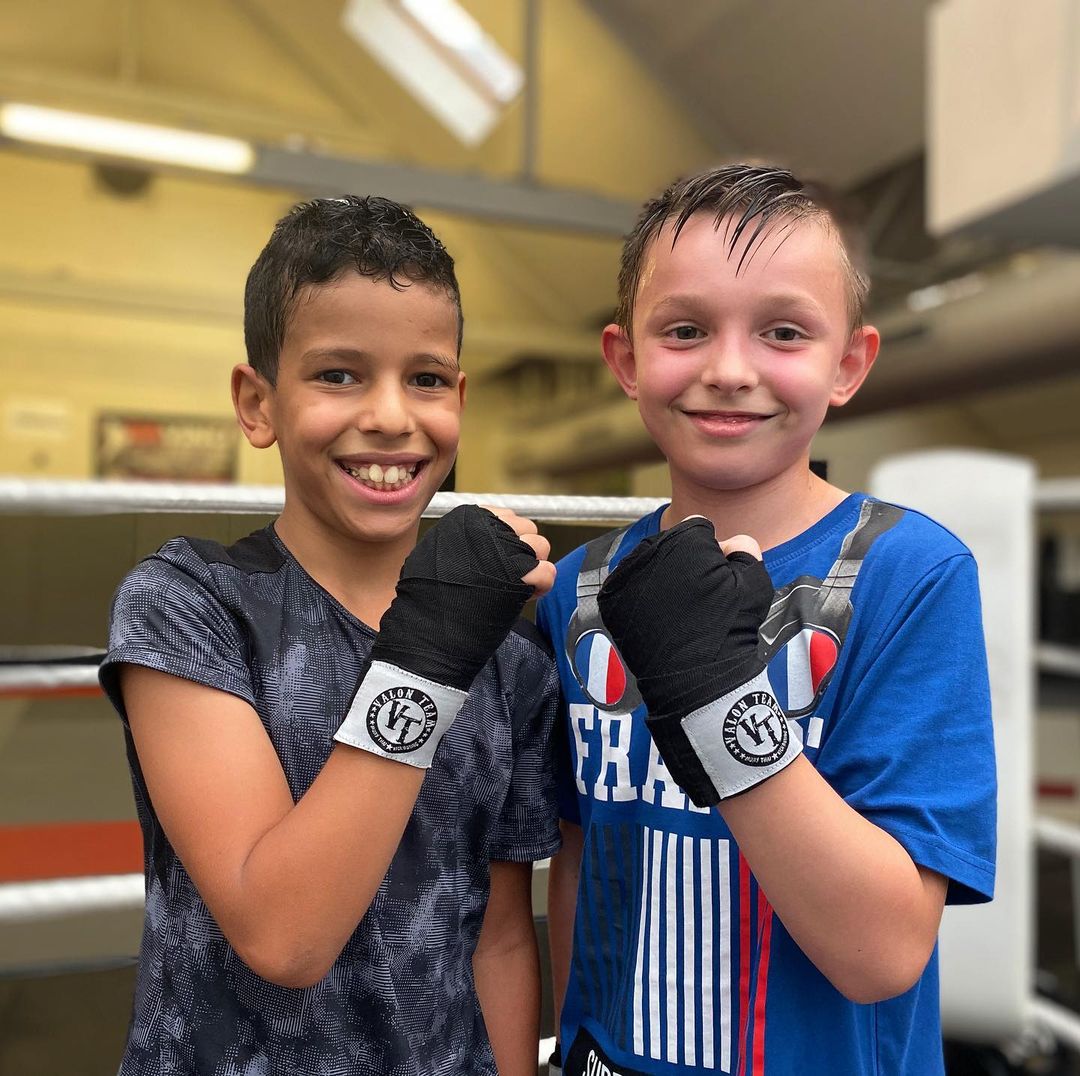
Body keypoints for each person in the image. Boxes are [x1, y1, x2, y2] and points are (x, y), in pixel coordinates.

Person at [537, 164, 996, 1076]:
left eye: (783, 332)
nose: (730, 368)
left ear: (848, 365)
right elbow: (581, 862)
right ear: (626, 360)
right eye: (685, 330)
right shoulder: (583, 592)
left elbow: (881, 955)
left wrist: (718, 705)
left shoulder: (910, 575)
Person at [99, 195, 561, 1076]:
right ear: (257, 401)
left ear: (459, 399)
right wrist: (431, 651)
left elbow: (499, 938)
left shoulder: (509, 656)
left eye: (425, 379)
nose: (391, 415)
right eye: (339, 375)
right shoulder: (188, 605)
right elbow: (284, 935)